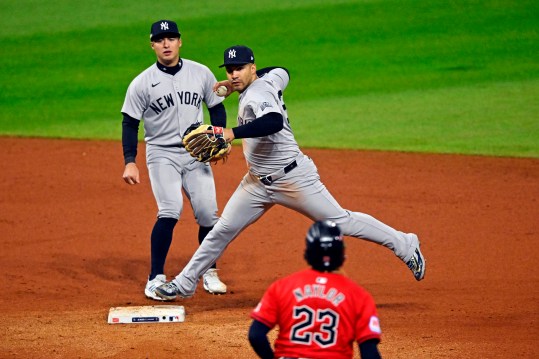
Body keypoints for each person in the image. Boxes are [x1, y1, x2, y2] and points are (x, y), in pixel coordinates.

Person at [155, 45, 425, 300]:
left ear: (252, 67)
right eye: (229, 69)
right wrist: (234, 86)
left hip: (292, 178)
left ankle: (405, 244)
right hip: (257, 183)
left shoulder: (259, 94)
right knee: (222, 229)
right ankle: (184, 283)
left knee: (340, 222)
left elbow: (273, 121)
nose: (233, 74)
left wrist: (231, 133)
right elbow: (282, 69)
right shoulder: (270, 80)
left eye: (239, 68)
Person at [120, 19, 228, 300]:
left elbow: (216, 108)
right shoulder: (142, 83)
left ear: (180, 41)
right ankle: (155, 277)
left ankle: (210, 270)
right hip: (161, 154)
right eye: (160, 39)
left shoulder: (201, 73)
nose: (166, 44)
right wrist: (130, 160)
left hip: (195, 153)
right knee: (169, 210)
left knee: (208, 214)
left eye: (171, 38)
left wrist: (218, 138)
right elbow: (130, 123)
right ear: (153, 45)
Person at [248, 220, 382, 359]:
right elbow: (369, 352)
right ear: (341, 253)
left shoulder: (282, 287)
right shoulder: (358, 295)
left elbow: (256, 335)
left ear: (309, 251)